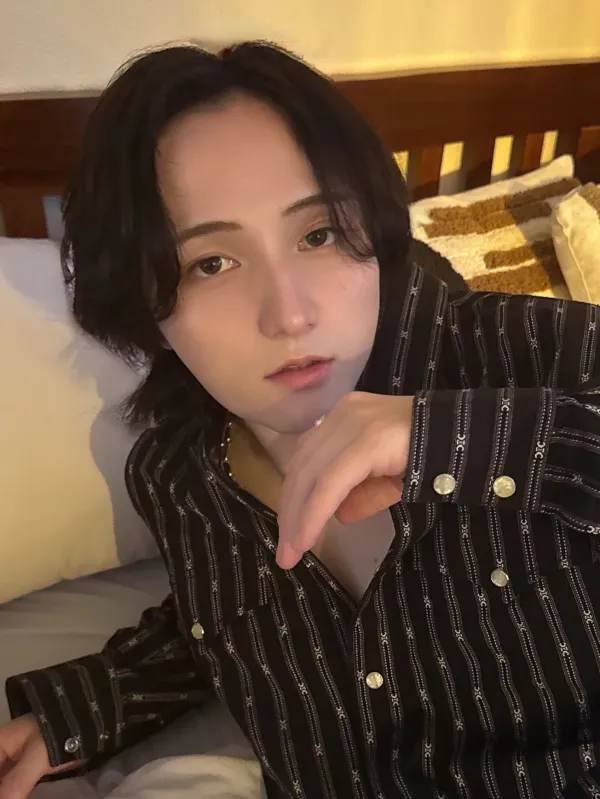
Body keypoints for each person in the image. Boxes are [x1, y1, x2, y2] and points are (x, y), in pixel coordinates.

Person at [1, 40, 599, 799]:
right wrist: (79, 710)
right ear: (146, 308)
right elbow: (222, 619)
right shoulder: (180, 480)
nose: (289, 315)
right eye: (211, 263)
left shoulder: (525, 356)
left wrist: (454, 437)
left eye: (318, 234)